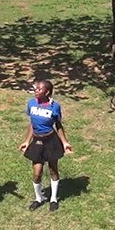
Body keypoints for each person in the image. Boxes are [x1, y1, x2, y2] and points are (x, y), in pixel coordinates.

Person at [20, 79, 73, 212]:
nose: (36, 90)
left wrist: (64, 142)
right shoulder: (31, 104)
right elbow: (32, 123)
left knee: (53, 170)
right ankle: (39, 198)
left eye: (39, 88)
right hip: (37, 141)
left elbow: (58, 125)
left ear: (47, 92)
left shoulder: (55, 106)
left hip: (51, 141)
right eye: (36, 88)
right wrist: (27, 141)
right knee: (37, 173)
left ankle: (53, 199)